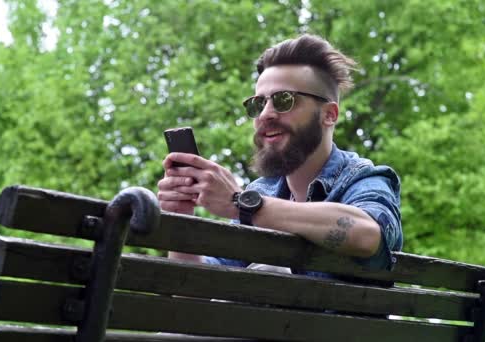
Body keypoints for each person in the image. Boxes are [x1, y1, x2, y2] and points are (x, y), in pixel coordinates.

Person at [157, 34, 402, 276]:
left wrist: (240, 203)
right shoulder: (261, 193)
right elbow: (193, 290)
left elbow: (368, 236)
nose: (265, 114)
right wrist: (180, 218)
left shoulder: (364, 179)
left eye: (284, 100)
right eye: (258, 104)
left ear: (329, 114)